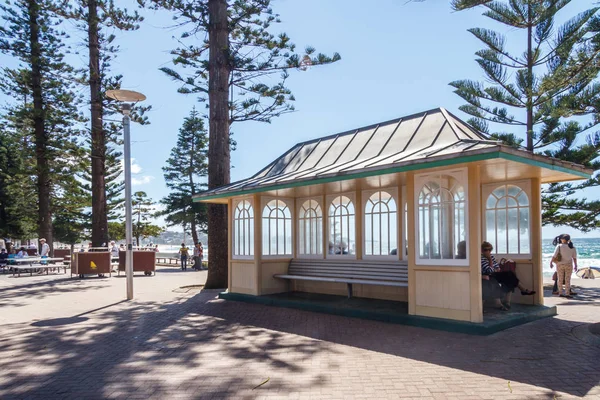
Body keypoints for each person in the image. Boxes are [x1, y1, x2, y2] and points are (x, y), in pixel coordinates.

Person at [481, 241, 535, 310]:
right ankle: (499, 304)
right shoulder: (481, 258)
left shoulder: (491, 256)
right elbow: (489, 270)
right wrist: (490, 260)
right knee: (493, 281)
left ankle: (522, 289)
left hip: (494, 274)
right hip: (487, 275)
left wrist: (495, 267)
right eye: (486, 250)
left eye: (490, 250)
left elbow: (497, 267)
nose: (488, 251)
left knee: (510, 274)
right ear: (482, 250)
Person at [551, 234, 578, 299]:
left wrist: (551, 262)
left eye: (561, 239)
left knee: (560, 279)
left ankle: (560, 293)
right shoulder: (572, 248)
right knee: (567, 279)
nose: (560, 239)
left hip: (560, 265)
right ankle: (567, 293)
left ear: (564, 239)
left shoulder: (559, 246)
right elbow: (574, 258)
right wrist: (575, 265)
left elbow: (554, 255)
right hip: (569, 265)